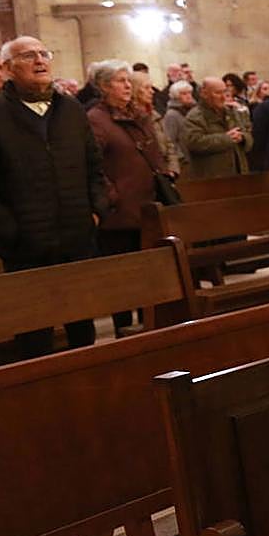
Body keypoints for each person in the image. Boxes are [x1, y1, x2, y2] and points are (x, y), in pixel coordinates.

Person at [0, 36, 107, 357]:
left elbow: (94, 166)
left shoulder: (71, 108)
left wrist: (95, 210)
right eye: (28, 56)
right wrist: (11, 230)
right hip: (25, 245)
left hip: (76, 236)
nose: (40, 60)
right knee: (34, 336)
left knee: (82, 329)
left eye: (44, 53)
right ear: (8, 69)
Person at [86, 61, 171, 333]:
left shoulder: (136, 115)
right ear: (103, 86)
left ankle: (151, 326)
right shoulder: (95, 120)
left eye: (127, 80)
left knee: (148, 276)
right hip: (120, 214)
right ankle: (124, 331)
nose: (127, 85)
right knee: (121, 280)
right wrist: (112, 196)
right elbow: (92, 164)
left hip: (146, 208)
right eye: (120, 80)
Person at [184, 76, 252, 178]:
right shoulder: (195, 116)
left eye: (224, 92)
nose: (223, 97)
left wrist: (242, 137)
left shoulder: (232, 112)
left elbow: (248, 133)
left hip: (239, 172)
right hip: (213, 176)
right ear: (204, 94)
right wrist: (226, 139)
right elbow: (194, 142)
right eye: (218, 93)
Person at [131, 69, 183, 177]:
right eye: (147, 88)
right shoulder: (131, 117)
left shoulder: (154, 115)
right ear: (135, 91)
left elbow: (168, 143)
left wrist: (173, 169)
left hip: (165, 172)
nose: (152, 91)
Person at [162, 80, 196, 175]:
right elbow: (170, 139)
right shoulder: (172, 115)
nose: (188, 96)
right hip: (184, 162)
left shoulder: (193, 111)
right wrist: (182, 158)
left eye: (189, 93)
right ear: (176, 96)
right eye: (184, 94)